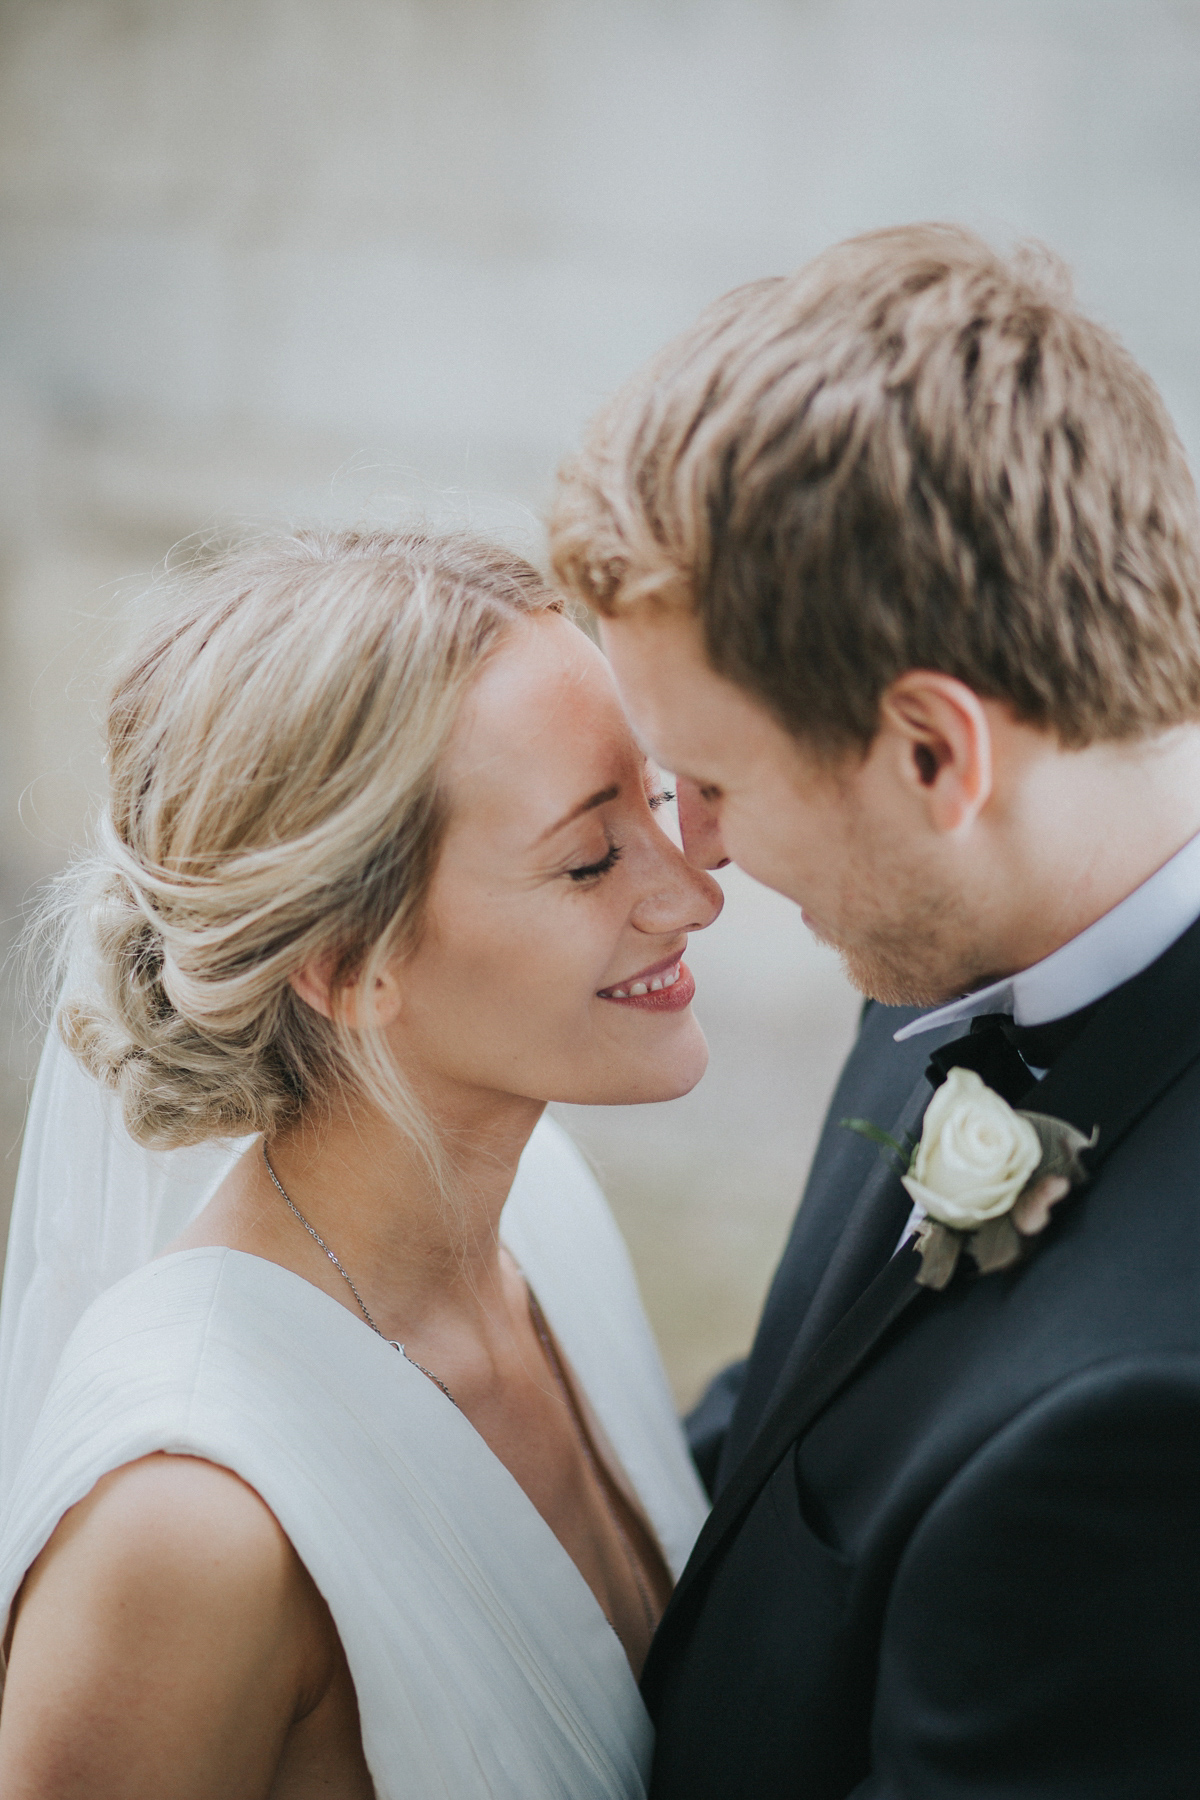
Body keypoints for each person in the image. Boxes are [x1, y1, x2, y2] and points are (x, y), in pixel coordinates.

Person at [549, 223, 1200, 1798]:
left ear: (934, 754)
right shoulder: (965, 942)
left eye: (709, 782)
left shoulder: (1137, 1432)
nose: (690, 853)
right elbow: (798, 1428)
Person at [0, 528, 724, 1799]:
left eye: (656, 802)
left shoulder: (545, 1209)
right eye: (591, 856)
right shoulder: (186, 1531)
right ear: (346, 966)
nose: (692, 895)